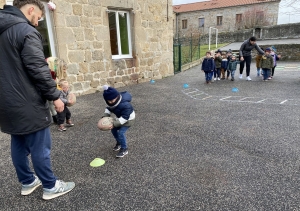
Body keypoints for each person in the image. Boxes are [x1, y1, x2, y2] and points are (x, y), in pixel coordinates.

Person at [0, 0, 75, 200]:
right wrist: (55, 96)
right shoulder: (25, 31)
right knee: (40, 146)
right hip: (27, 101)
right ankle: (50, 186)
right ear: (30, 9)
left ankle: (27, 182)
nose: (37, 22)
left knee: (18, 142)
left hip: (5, 103)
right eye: (39, 17)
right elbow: (39, 70)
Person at [102, 85, 135, 158]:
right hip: (120, 118)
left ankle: (124, 148)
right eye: (108, 101)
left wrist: (114, 124)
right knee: (113, 130)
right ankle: (119, 143)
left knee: (121, 132)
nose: (110, 102)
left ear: (117, 97)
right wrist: (105, 116)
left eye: (112, 100)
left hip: (128, 119)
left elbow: (125, 117)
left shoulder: (126, 105)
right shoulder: (112, 103)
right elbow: (108, 109)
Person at [46, 57, 68, 124]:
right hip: (43, 83)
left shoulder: (55, 67)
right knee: (49, 100)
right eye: (64, 69)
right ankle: (53, 116)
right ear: (60, 67)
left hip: (49, 80)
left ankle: (55, 116)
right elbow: (48, 81)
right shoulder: (49, 69)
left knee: (52, 99)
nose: (65, 71)